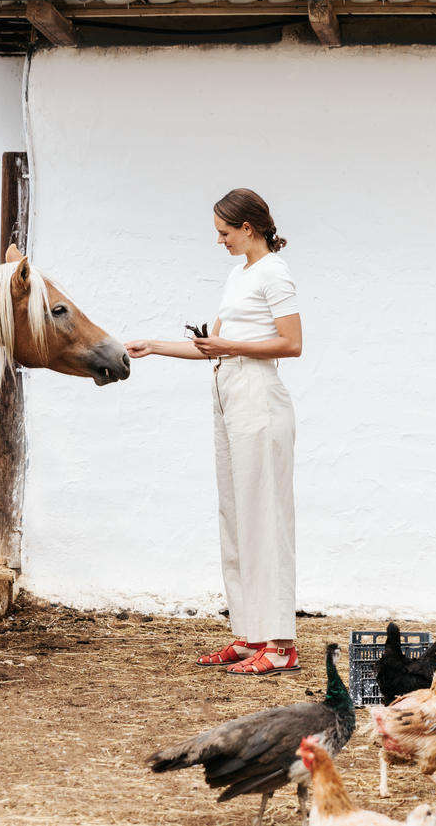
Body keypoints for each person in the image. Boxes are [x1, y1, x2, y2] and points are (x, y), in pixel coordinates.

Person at [125, 188, 303, 676]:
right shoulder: (238, 274)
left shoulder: (274, 273)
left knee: (265, 518)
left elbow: (292, 343)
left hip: (259, 399)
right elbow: (215, 348)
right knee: (236, 515)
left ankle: (281, 643)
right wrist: (155, 346)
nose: (219, 240)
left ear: (249, 228)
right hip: (228, 394)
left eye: (224, 232)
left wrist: (229, 344)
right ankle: (249, 636)